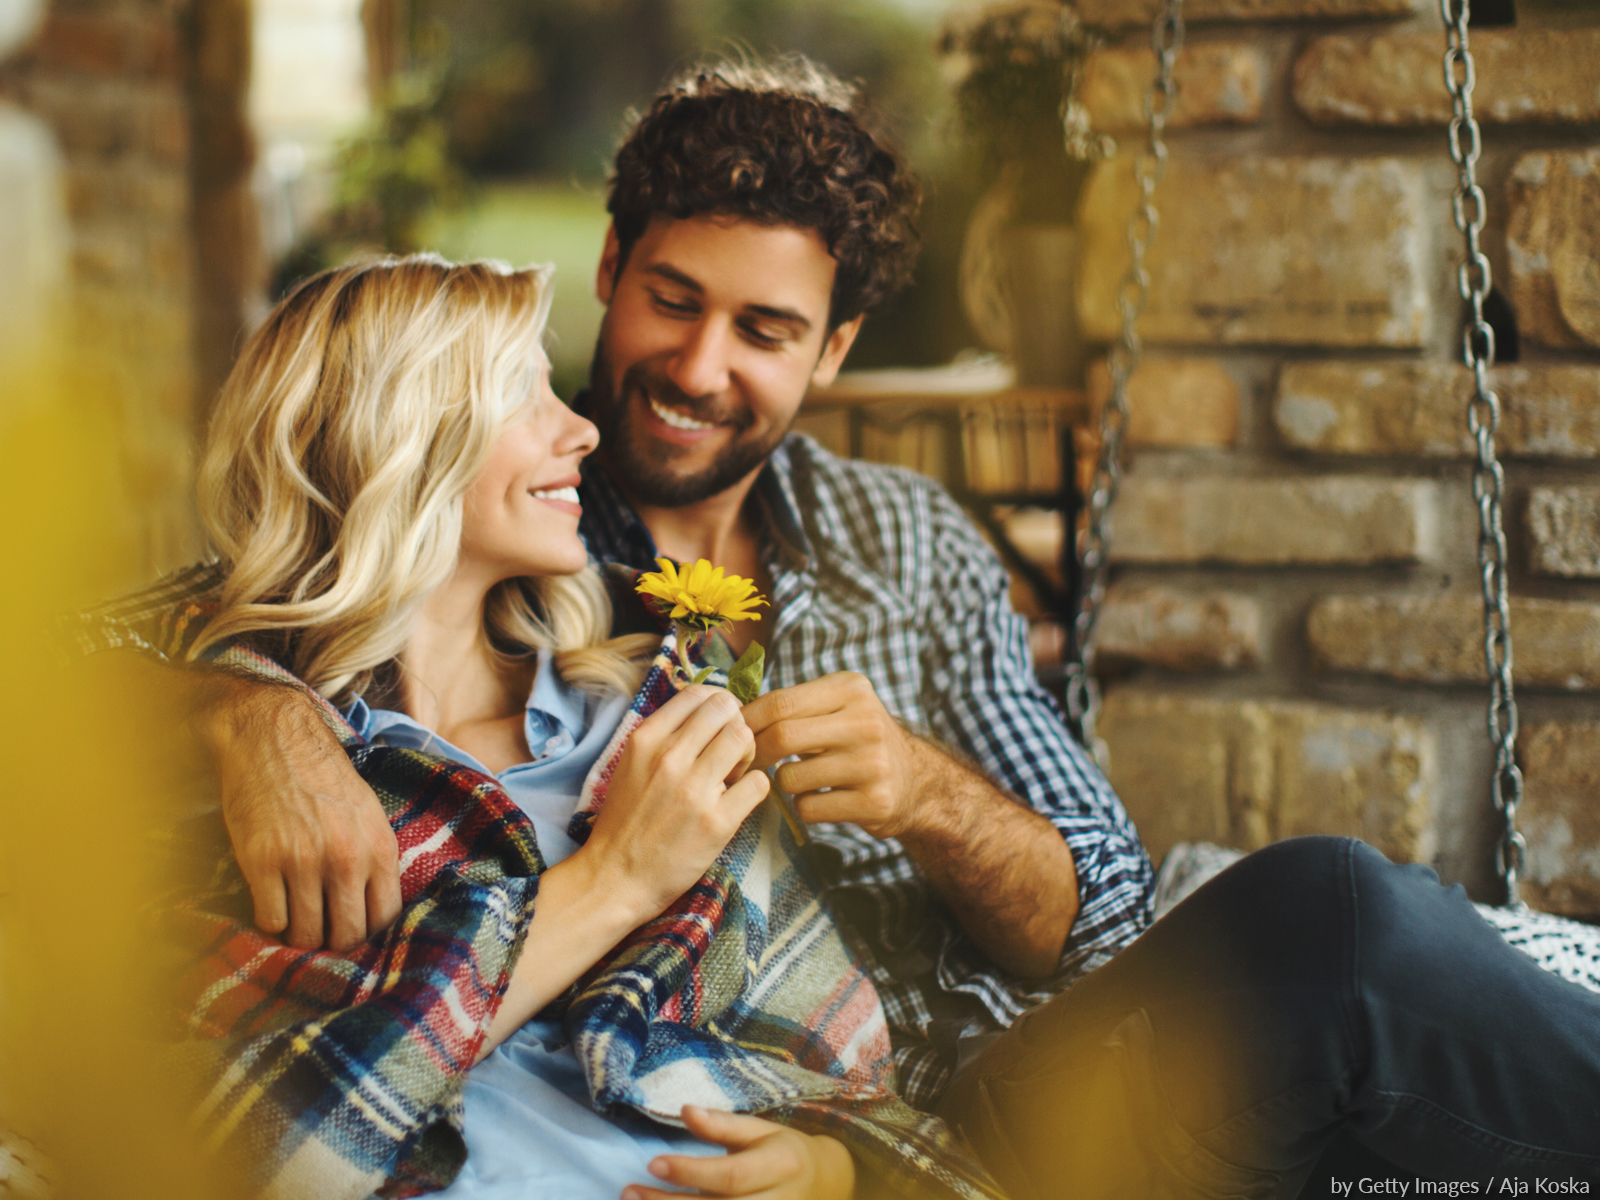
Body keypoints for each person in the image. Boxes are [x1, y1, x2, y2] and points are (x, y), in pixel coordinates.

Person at [85, 56, 1600, 1199]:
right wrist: (245, 710)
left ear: (836, 349)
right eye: (671, 299)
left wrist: (932, 799)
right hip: (777, 1132)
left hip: (974, 1094)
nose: (695, 365)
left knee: (1338, 920)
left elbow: (1110, 913)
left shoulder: (908, 545)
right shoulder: (512, 556)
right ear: (609, 274)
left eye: (763, 331)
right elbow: (121, 646)